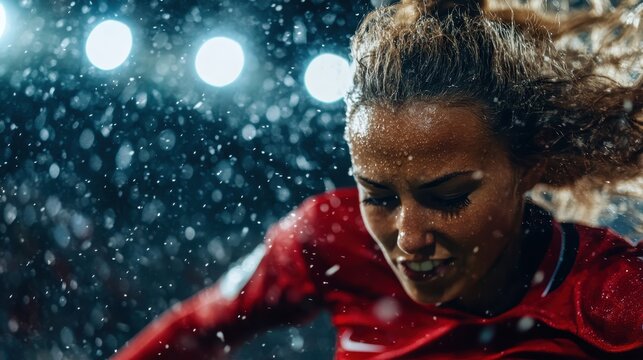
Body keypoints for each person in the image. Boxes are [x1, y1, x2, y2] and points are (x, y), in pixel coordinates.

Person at [114, 0, 643, 358]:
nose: (408, 238)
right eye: (380, 196)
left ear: (531, 161)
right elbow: (189, 332)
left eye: (449, 197)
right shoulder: (329, 234)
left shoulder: (616, 300)